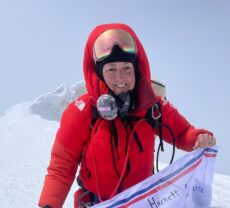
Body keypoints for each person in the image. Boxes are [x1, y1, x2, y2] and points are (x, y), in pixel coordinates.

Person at [38, 23, 216, 208]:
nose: (120, 78)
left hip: (142, 202)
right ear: (99, 72)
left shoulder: (152, 105)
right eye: (111, 69)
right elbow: (61, 166)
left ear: (137, 68)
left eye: (126, 68)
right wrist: (49, 205)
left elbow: (183, 133)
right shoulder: (83, 111)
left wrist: (198, 138)